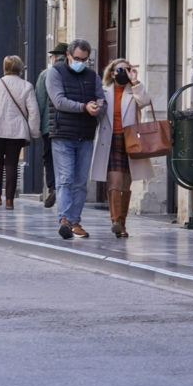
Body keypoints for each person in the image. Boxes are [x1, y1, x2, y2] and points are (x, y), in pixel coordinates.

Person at [46, 38, 105, 239]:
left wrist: (98, 107)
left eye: (85, 59)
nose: (81, 62)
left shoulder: (92, 76)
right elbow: (59, 101)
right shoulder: (55, 73)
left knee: (80, 182)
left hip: (86, 134)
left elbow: (100, 99)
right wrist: (83, 107)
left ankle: (74, 221)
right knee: (65, 179)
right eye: (78, 58)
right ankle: (64, 219)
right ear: (69, 55)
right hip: (63, 133)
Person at [90, 58, 153, 238]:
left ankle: (123, 224)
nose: (124, 72)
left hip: (130, 141)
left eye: (128, 69)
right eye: (120, 70)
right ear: (112, 73)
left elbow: (145, 101)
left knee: (126, 185)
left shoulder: (133, 91)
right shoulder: (103, 91)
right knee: (115, 183)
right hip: (110, 142)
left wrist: (135, 82)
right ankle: (116, 221)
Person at [0, 55, 41, 209]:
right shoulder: (27, 86)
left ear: (4, 68)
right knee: (12, 163)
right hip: (16, 131)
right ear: (20, 68)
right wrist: (33, 132)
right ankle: (10, 200)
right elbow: (34, 111)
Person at [35, 42, 67, 208]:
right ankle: (64, 189)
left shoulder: (45, 74)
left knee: (49, 157)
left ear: (54, 58)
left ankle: (53, 188)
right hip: (69, 126)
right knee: (67, 158)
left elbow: (39, 101)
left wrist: (37, 125)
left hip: (49, 125)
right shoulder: (72, 74)